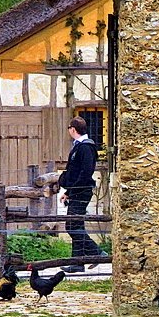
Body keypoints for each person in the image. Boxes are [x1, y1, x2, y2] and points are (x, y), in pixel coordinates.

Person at [59, 116, 104, 270]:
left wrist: (73, 191)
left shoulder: (85, 147)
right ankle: (77, 263)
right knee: (76, 225)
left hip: (81, 191)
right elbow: (75, 172)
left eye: (69, 129)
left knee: (72, 226)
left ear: (73, 129)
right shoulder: (80, 146)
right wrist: (68, 192)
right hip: (77, 191)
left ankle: (97, 253)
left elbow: (85, 173)